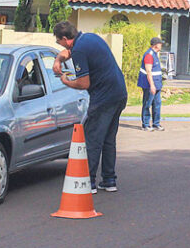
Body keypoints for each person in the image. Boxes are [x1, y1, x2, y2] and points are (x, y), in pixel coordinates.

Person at [52, 21, 127, 194]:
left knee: (92, 139)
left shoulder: (79, 50)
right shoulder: (89, 38)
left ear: (65, 39)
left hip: (103, 98)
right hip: (119, 93)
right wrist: (58, 59)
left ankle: (89, 182)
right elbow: (68, 52)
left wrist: (67, 81)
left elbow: (84, 83)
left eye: (58, 41)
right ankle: (109, 180)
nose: (59, 45)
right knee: (108, 139)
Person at [138, 37, 165, 132]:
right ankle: (145, 125)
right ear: (155, 45)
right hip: (149, 85)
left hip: (157, 84)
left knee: (157, 104)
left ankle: (156, 124)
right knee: (147, 104)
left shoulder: (155, 54)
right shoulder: (149, 55)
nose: (161, 45)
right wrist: (152, 85)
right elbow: (148, 71)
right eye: (160, 43)